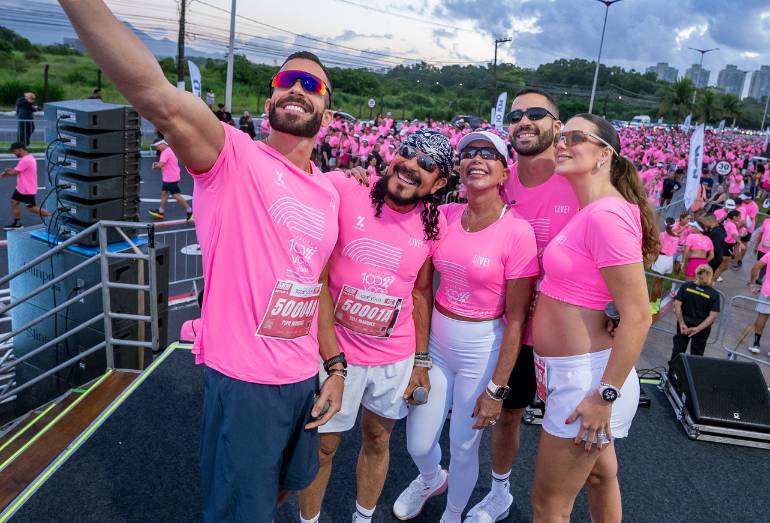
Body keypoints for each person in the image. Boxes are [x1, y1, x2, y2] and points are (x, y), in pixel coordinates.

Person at [59, 3, 347, 521]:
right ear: (271, 99)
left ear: (328, 112)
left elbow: (317, 283)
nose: (299, 88)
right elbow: (156, 96)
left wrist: (335, 368)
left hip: (303, 377)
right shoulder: (232, 156)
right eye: (288, 79)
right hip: (244, 381)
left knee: (285, 488)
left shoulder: (328, 192)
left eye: (313, 85)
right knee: (241, 510)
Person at [298, 129, 452, 523]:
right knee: (323, 447)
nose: (411, 165)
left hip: (393, 357)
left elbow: (420, 294)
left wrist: (421, 360)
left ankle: (362, 517)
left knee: (378, 439)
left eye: (427, 165)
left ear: (439, 183)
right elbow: (298, 178)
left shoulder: (434, 226)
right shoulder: (347, 188)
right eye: (407, 153)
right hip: (337, 354)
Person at [393, 131, 538, 523]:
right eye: (469, 153)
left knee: (462, 444)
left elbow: (518, 318)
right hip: (437, 342)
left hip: (482, 347)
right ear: (456, 168)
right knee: (420, 443)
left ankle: (453, 513)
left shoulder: (519, 232)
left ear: (504, 171)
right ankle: (429, 478)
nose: (477, 159)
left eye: (488, 154)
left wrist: (497, 389)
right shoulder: (444, 216)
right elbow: (397, 212)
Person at [531, 113, 657, 522]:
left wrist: (605, 396)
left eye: (575, 137)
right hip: (574, 373)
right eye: (560, 136)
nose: (561, 144)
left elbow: (639, 316)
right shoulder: (594, 211)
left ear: (605, 153)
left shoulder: (606, 215)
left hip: (587, 381)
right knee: (601, 479)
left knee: (549, 506)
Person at [468, 88, 579, 523]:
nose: (524, 121)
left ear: (557, 123)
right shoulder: (499, 177)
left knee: (574, 429)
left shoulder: (578, 180)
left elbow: (626, 236)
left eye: (536, 113)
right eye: (515, 115)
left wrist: (616, 306)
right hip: (509, 328)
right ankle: (500, 492)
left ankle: (559, 506)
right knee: (508, 417)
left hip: (563, 333)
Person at [671, 264, 719, 363]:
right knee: (697, 355)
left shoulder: (686, 286)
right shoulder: (714, 294)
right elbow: (713, 316)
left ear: (696, 273)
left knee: (678, 351)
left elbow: (677, 305)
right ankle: (693, 375)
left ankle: (672, 372)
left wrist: (681, 323)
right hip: (702, 328)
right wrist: (698, 329)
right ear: (710, 276)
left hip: (684, 325)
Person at [2, 142, 50, 229]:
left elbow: (13, 172)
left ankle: (52, 217)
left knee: (31, 208)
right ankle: (17, 224)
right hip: (21, 188)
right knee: (14, 202)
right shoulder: (27, 158)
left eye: (14, 151)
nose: (13, 153)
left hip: (27, 189)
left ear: (19, 149)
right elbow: (17, 171)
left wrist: (6, 172)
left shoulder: (26, 160)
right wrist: (7, 172)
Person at [147, 140, 193, 222]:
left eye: (157, 146)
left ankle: (190, 212)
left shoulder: (165, 152)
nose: (157, 149)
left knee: (176, 196)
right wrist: (158, 164)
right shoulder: (171, 150)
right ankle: (161, 212)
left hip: (170, 178)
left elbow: (161, 165)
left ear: (162, 144)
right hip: (170, 177)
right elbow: (165, 163)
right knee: (164, 193)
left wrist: (155, 166)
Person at [650, 217, 678, 314]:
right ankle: (656, 305)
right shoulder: (676, 237)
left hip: (661, 259)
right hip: (669, 260)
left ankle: (653, 306)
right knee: (660, 283)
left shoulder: (661, 235)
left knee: (655, 284)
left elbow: (657, 248)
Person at [748, 254, 770, 355]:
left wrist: (752, 284)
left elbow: (755, 267)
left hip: (767, 291)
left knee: (762, 316)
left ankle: (756, 344)